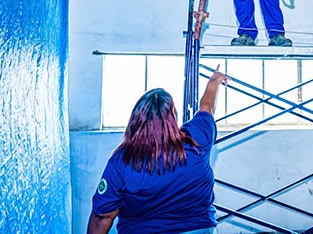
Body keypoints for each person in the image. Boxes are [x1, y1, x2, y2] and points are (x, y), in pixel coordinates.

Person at [87, 67, 228, 234]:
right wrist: (215, 81)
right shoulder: (197, 138)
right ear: (173, 118)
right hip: (199, 229)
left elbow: (102, 216)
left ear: (135, 120)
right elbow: (207, 107)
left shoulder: (122, 159)